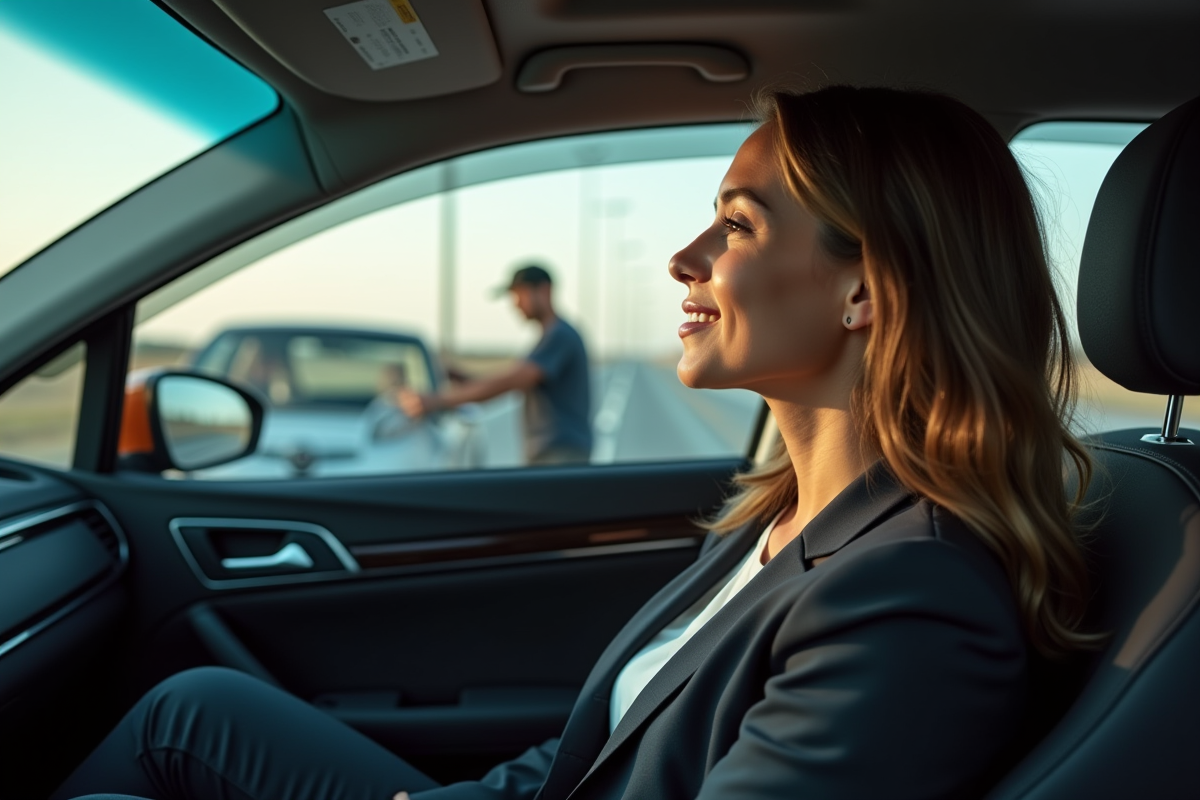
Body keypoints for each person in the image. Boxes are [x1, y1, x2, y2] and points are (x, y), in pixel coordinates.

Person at [52, 85, 1099, 800]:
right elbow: (600, 740)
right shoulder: (785, 517)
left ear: (868, 287)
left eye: (735, 225)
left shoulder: (909, 596)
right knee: (189, 707)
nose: (686, 259)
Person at [399, 264, 592, 466]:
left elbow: (512, 380)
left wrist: (437, 401)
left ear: (544, 290)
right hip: (554, 452)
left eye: (519, 294)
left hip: (560, 454)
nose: (515, 304)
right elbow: (513, 378)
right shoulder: (554, 335)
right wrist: (463, 378)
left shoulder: (559, 336)